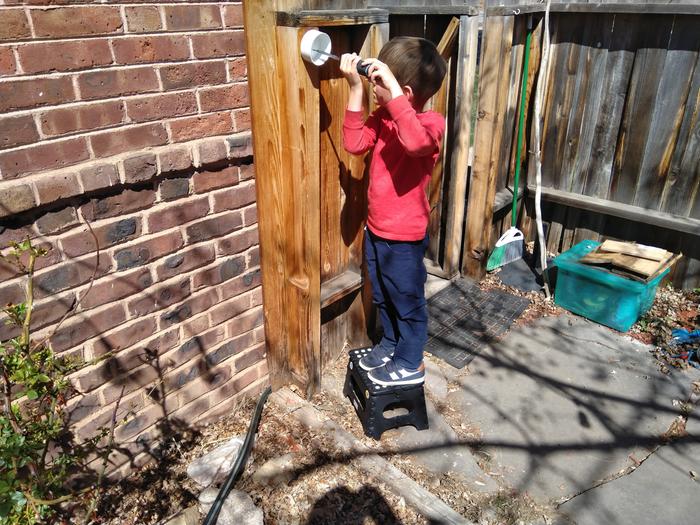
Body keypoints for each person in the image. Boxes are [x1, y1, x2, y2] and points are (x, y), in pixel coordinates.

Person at [340, 37, 447, 387]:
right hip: (376, 231)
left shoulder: (431, 124)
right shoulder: (384, 118)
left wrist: (396, 99)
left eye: (378, 83)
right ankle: (390, 343)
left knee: (407, 300)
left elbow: (415, 143)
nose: (375, 88)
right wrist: (355, 88)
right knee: (383, 295)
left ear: (403, 91)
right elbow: (354, 144)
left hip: (404, 238)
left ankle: (410, 361)